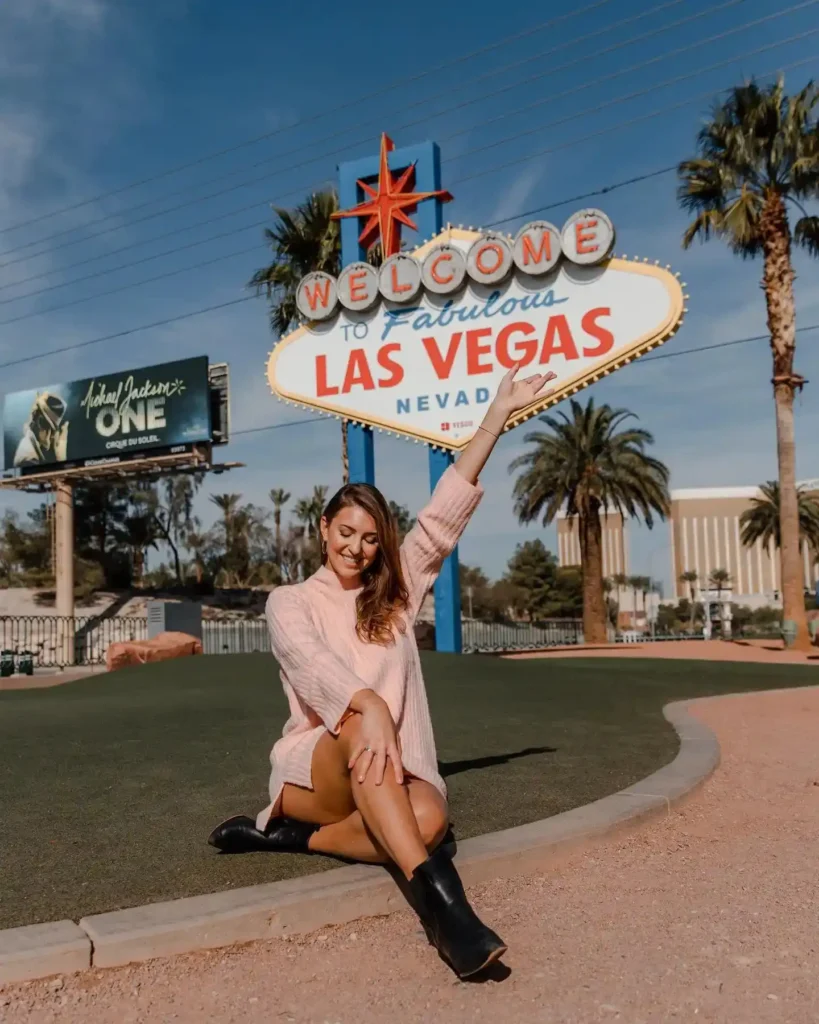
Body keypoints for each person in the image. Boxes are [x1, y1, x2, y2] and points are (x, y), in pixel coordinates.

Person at [209, 364, 556, 978]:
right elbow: (312, 667)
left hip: (389, 771)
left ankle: (297, 839)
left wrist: (497, 416)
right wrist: (368, 705)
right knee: (360, 734)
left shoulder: (393, 597)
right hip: (316, 768)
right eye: (346, 532)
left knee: (429, 819)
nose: (357, 548)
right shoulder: (289, 601)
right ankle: (446, 912)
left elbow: (442, 519)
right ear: (323, 530)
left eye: (371, 538)